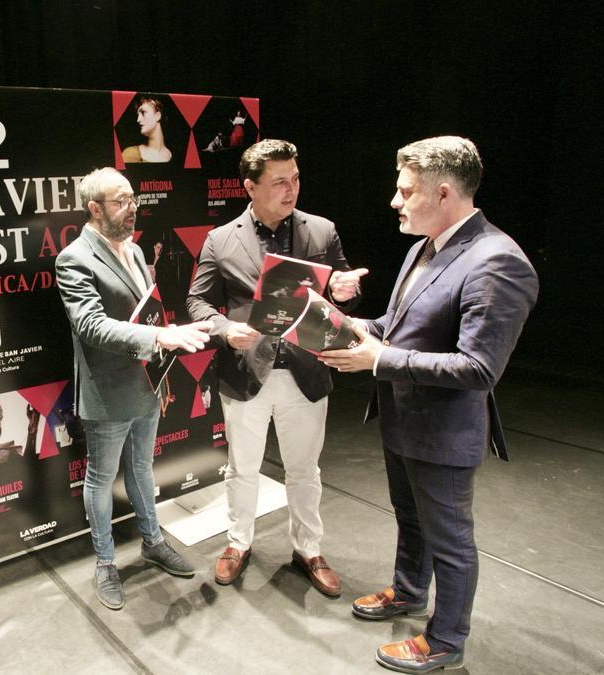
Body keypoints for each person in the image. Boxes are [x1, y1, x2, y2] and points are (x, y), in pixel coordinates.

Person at [318, 136, 538, 673]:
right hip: (403, 419)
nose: (395, 201)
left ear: (443, 193)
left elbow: (478, 369)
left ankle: (445, 639)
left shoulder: (499, 262)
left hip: (443, 430)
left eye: (405, 191)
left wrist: (379, 360)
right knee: (410, 520)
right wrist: (338, 324)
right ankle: (410, 592)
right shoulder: (424, 245)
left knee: (451, 542)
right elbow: (397, 331)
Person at [186, 139, 369, 594]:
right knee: (242, 469)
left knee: (305, 470)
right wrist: (225, 328)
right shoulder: (221, 239)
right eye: (280, 182)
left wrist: (345, 293)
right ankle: (237, 542)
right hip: (246, 372)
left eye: (296, 179)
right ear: (250, 186)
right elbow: (197, 301)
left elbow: (341, 290)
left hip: (307, 371)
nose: (292, 190)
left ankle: (308, 548)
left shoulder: (321, 231)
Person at [55, 166, 212, 610]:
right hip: (107, 391)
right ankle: (105, 562)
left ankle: (152, 541)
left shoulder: (138, 250)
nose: (132, 209)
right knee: (102, 478)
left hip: (147, 384)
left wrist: (163, 343)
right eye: (121, 202)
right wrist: (157, 338)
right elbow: (90, 325)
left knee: (142, 468)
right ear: (94, 208)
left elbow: (147, 312)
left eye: (133, 200)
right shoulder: (74, 258)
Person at [120, 96, 172, 163]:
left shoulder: (174, 155)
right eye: (138, 115)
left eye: (143, 112)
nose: (138, 120)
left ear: (157, 116)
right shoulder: (130, 154)